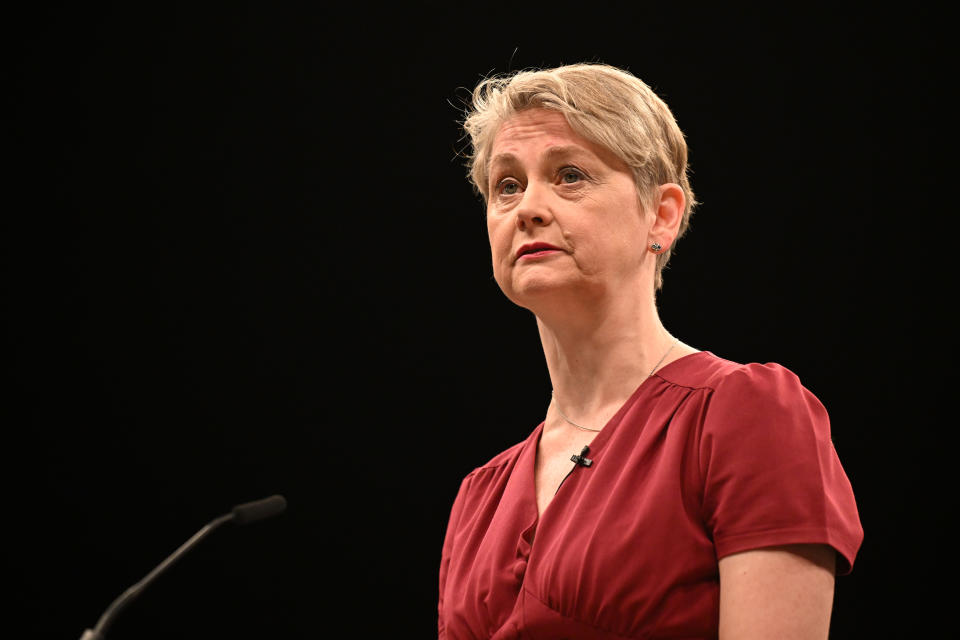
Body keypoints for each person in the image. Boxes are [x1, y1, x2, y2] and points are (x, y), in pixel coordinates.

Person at [437, 63, 863, 640]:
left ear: (662, 215)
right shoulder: (479, 498)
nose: (528, 208)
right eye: (506, 185)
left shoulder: (746, 414)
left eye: (569, 175)